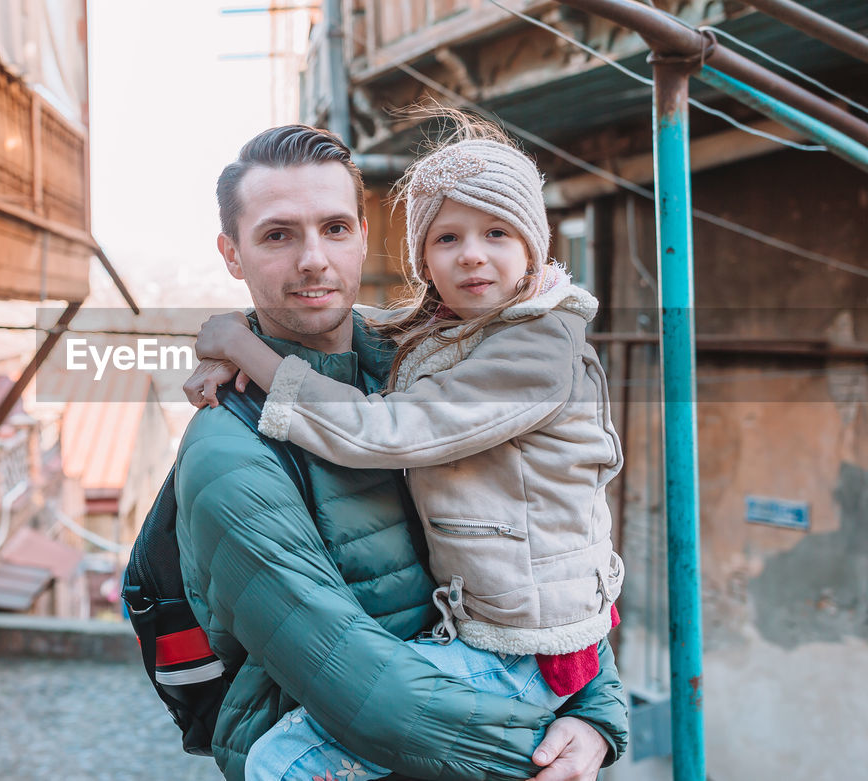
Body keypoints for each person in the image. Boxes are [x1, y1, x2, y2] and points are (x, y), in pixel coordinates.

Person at [174, 122, 628, 781]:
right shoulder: (228, 452)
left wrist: (595, 715)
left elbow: (554, 552)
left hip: (492, 673)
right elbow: (380, 702)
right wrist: (542, 754)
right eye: (278, 234)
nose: (313, 260)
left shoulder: (412, 364)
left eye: (334, 228)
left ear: (364, 235)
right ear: (232, 253)